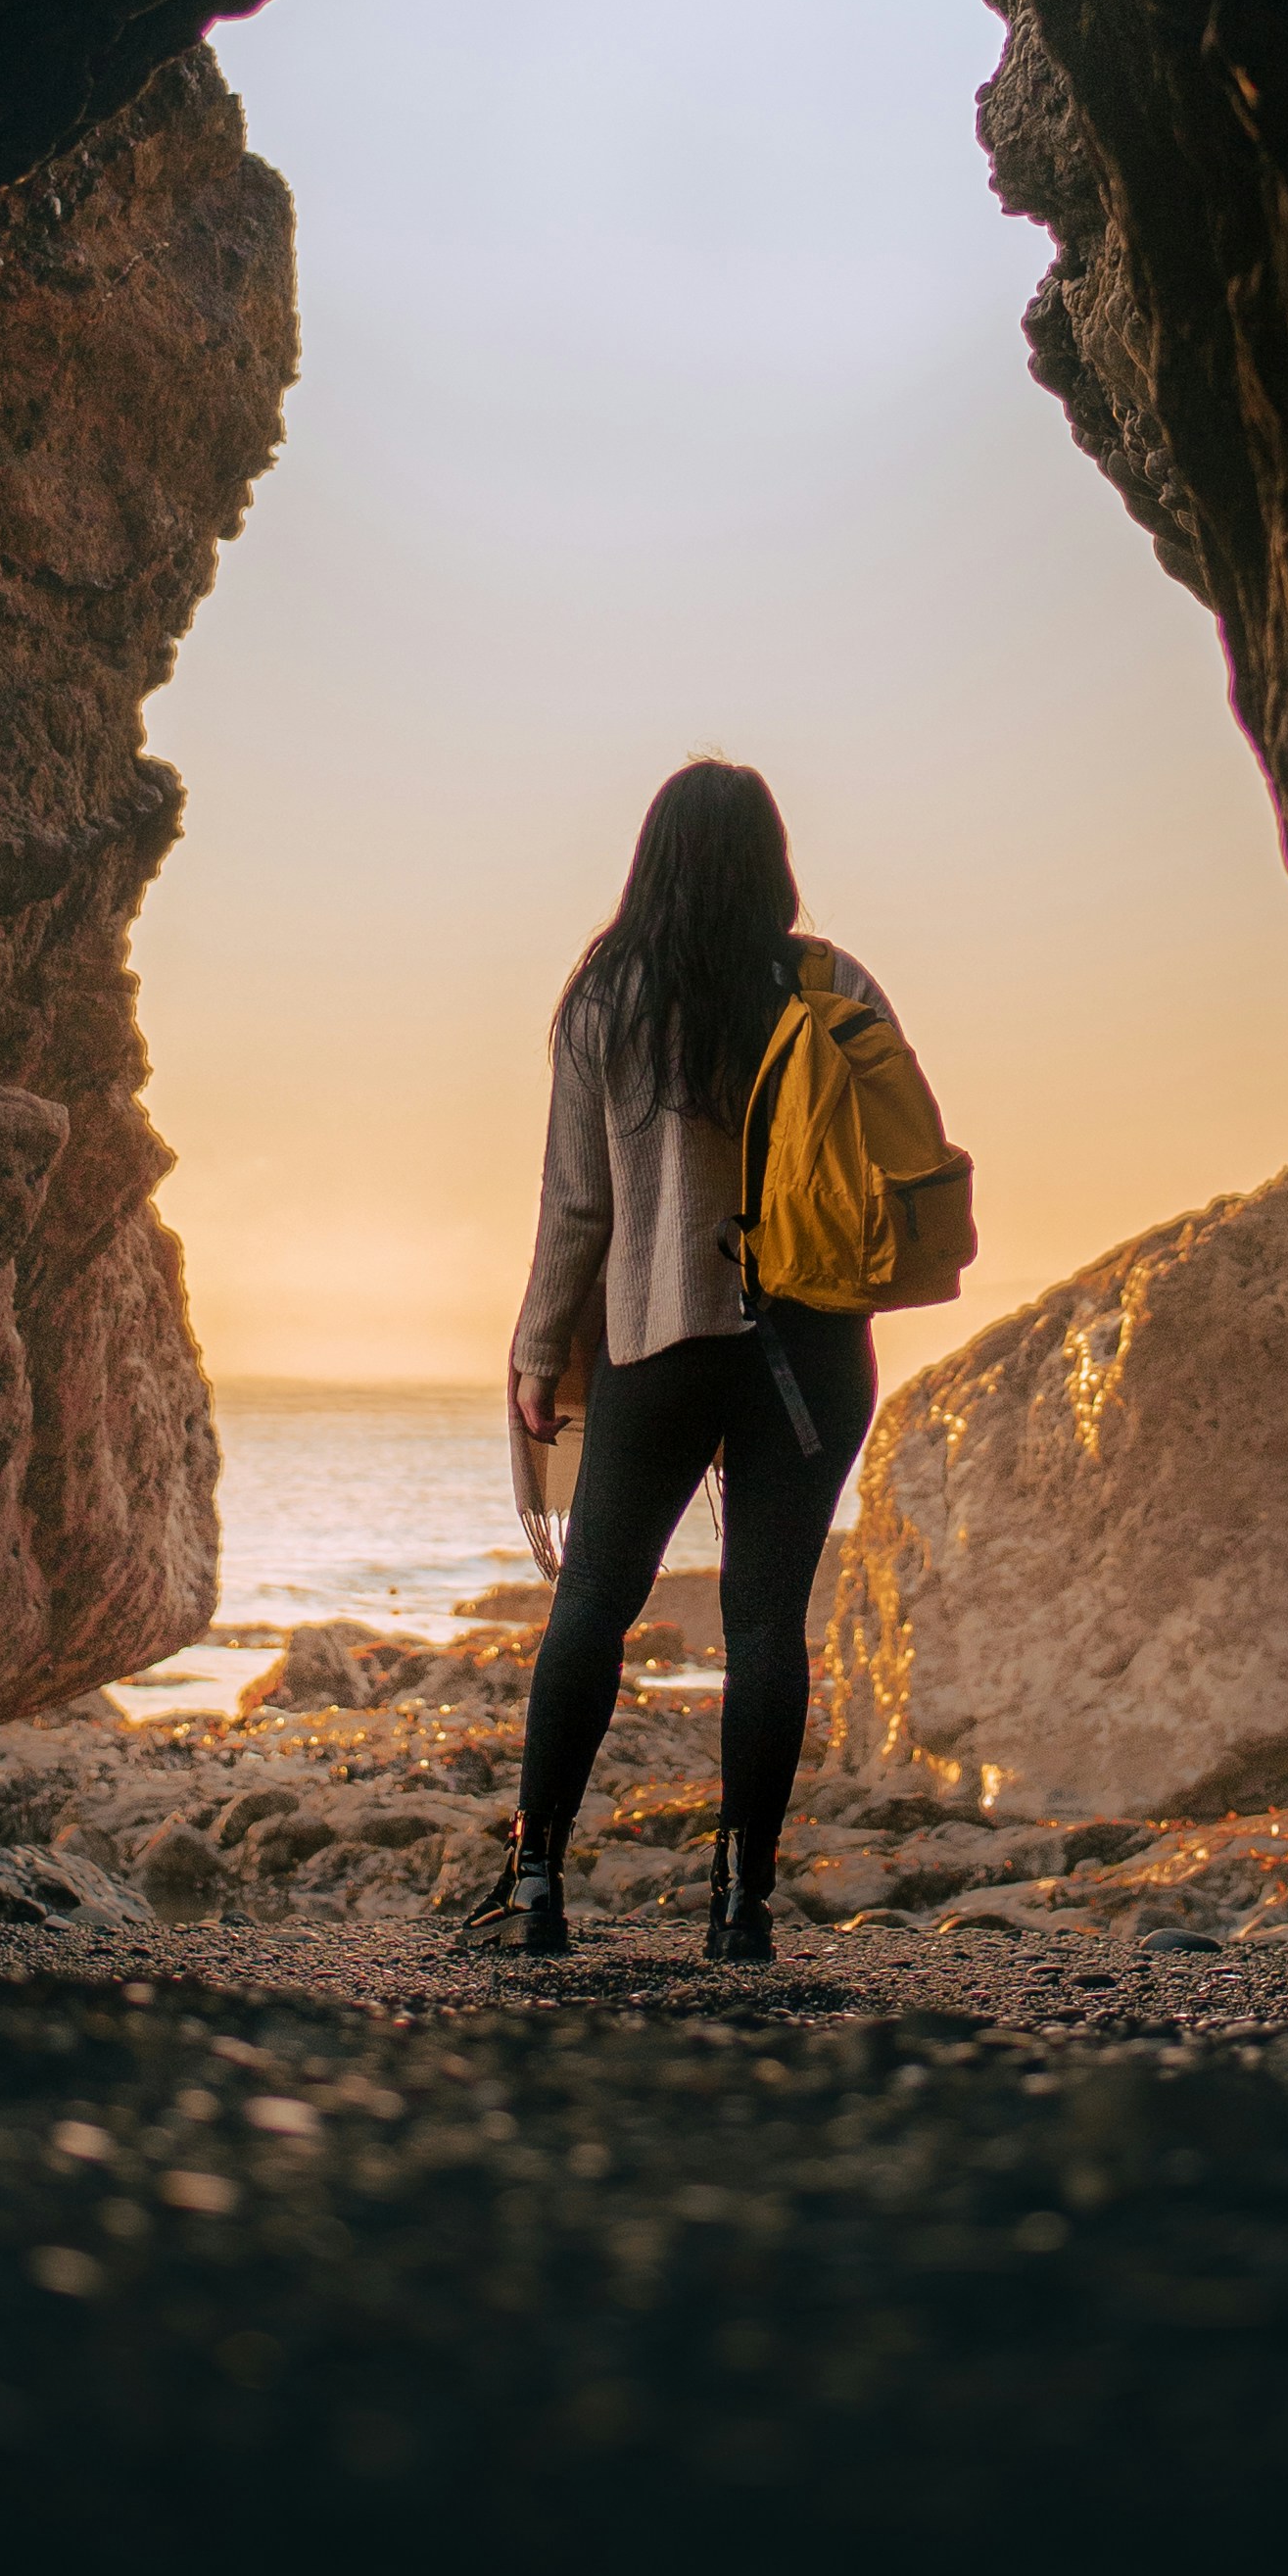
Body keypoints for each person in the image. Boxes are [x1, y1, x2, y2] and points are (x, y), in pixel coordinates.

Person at [488, 757, 884, 1962]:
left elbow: (575, 1206)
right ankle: (740, 1908)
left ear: (649, 857)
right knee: (766, 1625)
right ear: (773, 857)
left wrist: (535, 1348)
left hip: (657, 1342)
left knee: (594, 1602)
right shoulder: (831, 982)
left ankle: (536, 1885)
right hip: (809, 1351)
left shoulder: (608, 995)